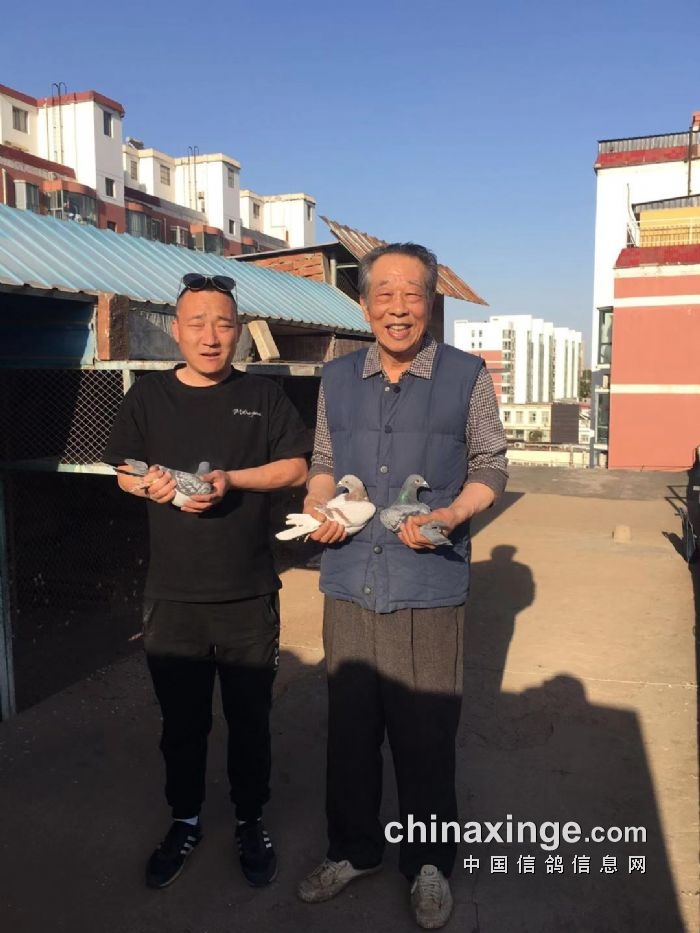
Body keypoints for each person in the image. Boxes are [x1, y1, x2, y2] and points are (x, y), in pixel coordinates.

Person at [296, 244, 508, 929]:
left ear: (430, 303)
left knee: (426, 737)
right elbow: (323, 460)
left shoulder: (466, 375)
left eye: (411, 294)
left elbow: (491, 465)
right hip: (350, 580)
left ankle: (428, 864)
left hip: (428, 585)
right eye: (383, 294)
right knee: (350, 735)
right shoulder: (336, 377)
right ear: (364, 305)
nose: (397, 307)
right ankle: (352, 851)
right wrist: (321, 505)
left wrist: (450, 516)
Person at [103, 272, 309, 890]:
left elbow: (296, 466)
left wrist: (231, 480)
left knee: (250, 721)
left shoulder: (264, 396)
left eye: (223, 323)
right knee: (182, 725)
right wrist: (153, 487)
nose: (211, 336)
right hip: (173, 596)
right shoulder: (148, 396)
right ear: (177, 330)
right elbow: (123, 470)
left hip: (248, 592)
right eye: (197, 323)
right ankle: (185, 819)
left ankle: (250, 820)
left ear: (238, 330)